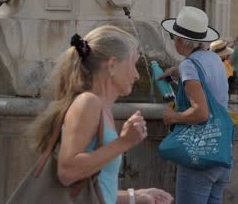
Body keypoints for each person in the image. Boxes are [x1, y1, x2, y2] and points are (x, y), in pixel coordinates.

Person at [29, 26, 173, 204]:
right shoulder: (88, 103)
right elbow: (67, 172)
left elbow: (94, 189)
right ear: (112, 65)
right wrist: (124, 142)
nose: (136, 75)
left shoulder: (102, 109)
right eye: (133, 64)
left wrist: (136, 197)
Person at [158, 6, 231, 204]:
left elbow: (201, 113)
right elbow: (208, 84)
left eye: (173, 37)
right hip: (221, 153)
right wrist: (177, 72)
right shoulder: (215, 59)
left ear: (180, 40)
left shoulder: (189, 65)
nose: (173, 41)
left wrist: (173, 117)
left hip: (199, 158)